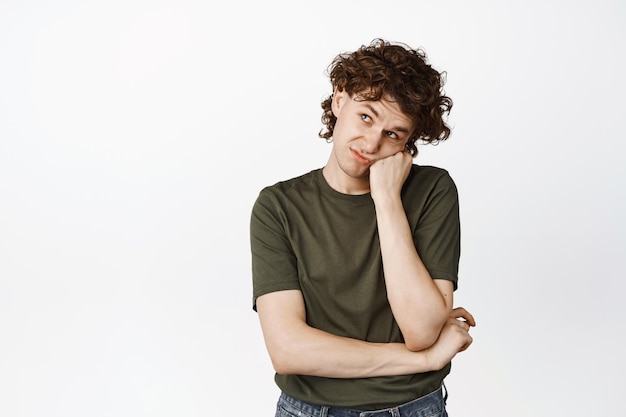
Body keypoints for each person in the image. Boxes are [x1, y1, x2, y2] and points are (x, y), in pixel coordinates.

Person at [250, 38, 476, 416]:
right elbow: (288, 350)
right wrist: (423, 360)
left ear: (409, 143)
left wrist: (386, 200)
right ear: (339, 100)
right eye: (366, 116)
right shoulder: (279, 206)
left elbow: (420, 330)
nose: (372, 143)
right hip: (309, 409)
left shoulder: (432, 191)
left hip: (412, 407)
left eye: (393, 134)